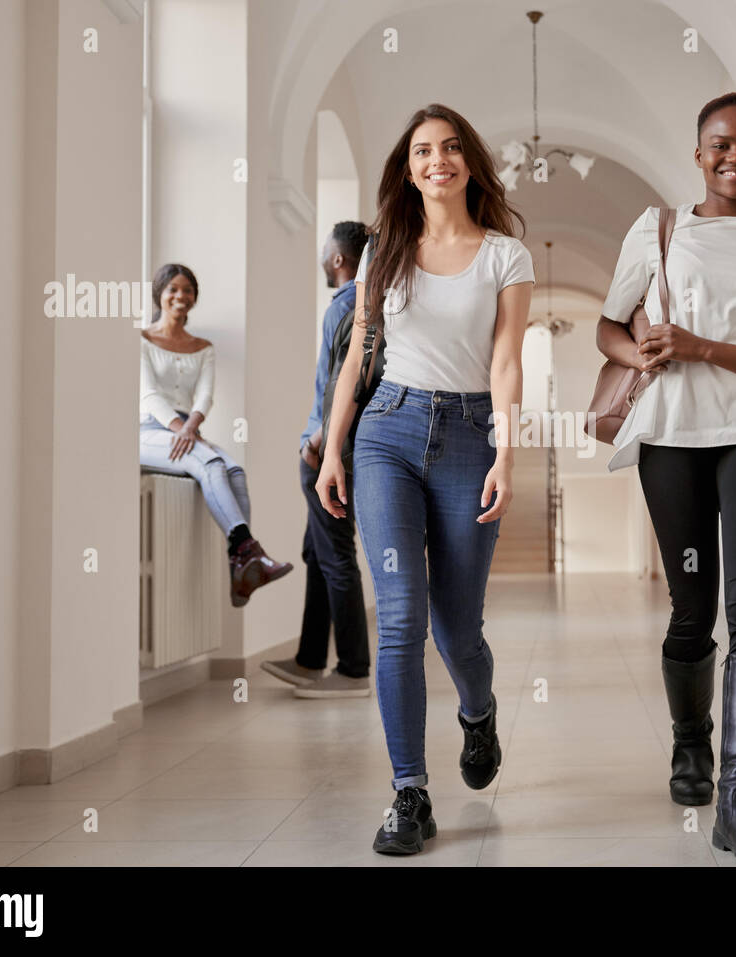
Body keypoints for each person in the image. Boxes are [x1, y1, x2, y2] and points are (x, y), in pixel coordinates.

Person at [595, 93, 736, 864]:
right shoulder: (658, 228)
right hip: (672, 439)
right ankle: (690, 746)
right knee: (693, 612)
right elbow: (610, 323)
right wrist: (645, 357)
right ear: (698, 153)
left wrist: (702, 346)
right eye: (722, 145)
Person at [315, 104, 533, 856]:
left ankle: (479, 712)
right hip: (389, 436)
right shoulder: (385, 252)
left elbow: (507, 363)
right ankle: (410, 791)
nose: (436, 160)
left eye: (449, 148)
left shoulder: (506, 255)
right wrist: (334, 445)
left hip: (473, 437)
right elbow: (357, 356)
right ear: (407, 170)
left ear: (468, 161)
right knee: (401, 618)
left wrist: (507, 451)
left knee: (456, 631)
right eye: (421, 152)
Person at [139, 263, 294, 607]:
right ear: (160, 294)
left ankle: (240, 569)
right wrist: (182, 431)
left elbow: (205, 397)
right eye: (173, 289)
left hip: (187, 430)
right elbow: (150, 396)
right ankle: (247, 552)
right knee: (210, 464)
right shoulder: (143, 340)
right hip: (149, 431)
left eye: (188, 290)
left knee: (235, 471)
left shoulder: (203, 347)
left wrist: (190, 429)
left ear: (194, 298)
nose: (181, 296)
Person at [262, 223, 373, 698]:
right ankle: (311, 659)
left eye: (324, 251)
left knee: (336, 558)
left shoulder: (346, 307)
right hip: (332, 450)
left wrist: (319, 443)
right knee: (318, 553)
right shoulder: (359, 304)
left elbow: (348, 382)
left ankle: (352, 670)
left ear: (337, 260)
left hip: (327, 453)